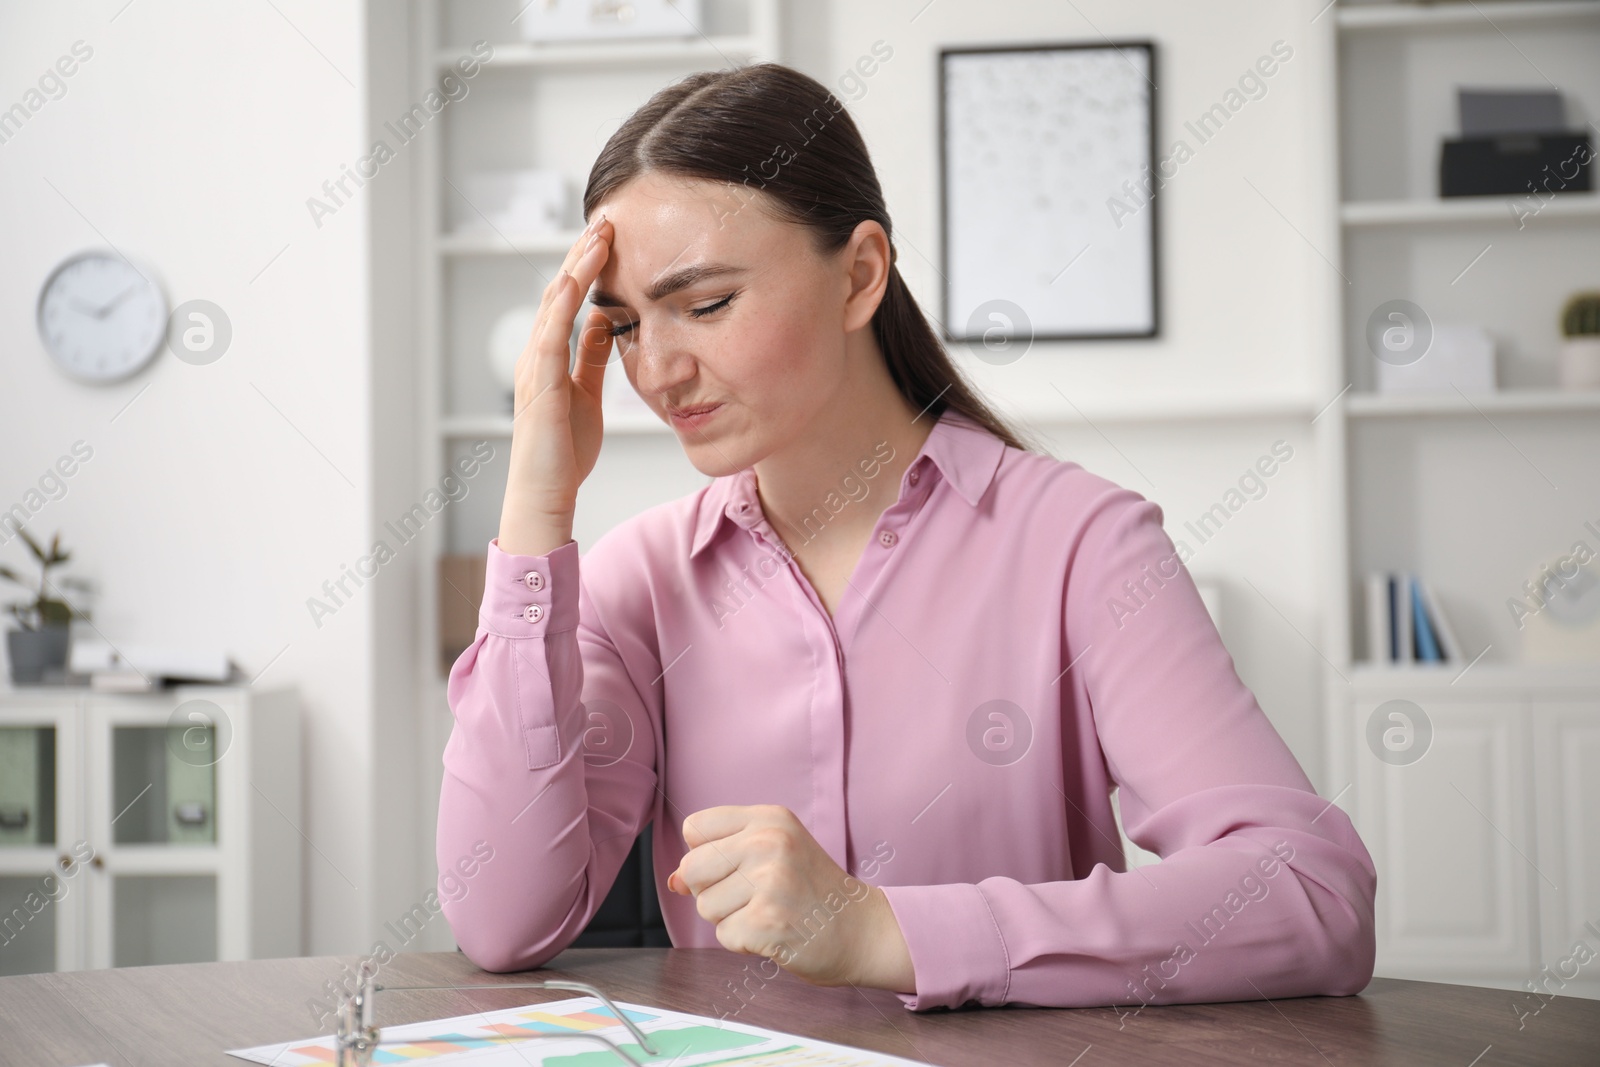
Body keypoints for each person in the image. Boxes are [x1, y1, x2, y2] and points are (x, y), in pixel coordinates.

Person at [436, 61, 1376, 1013]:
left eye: (707, 303)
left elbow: (1309, 894)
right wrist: (534, 508)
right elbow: (504, 922)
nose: (660, 370)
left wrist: (883, 928)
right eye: (627, 325)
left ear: (861, 273)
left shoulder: (1083, 545)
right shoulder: (637, 581)